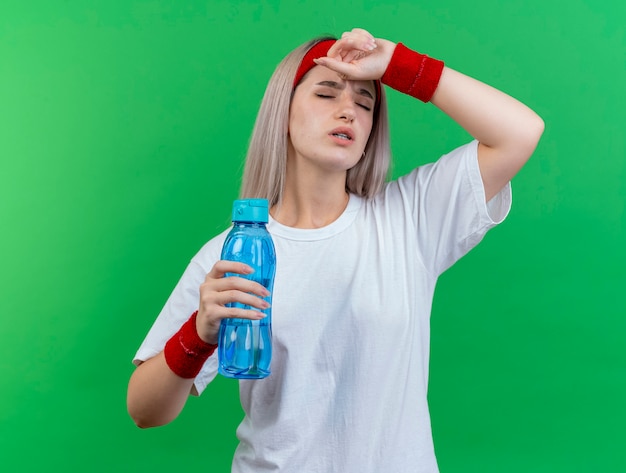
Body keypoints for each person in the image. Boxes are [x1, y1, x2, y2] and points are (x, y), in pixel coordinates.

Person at [127, 28, 544, 472]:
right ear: (282, 113)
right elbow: (145, 410)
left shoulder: (408, 220)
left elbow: (520, 132)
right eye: (326, 94)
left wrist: (396, 64)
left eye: (365, 104)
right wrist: (200, 331)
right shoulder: (233, 252)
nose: (348, 110)